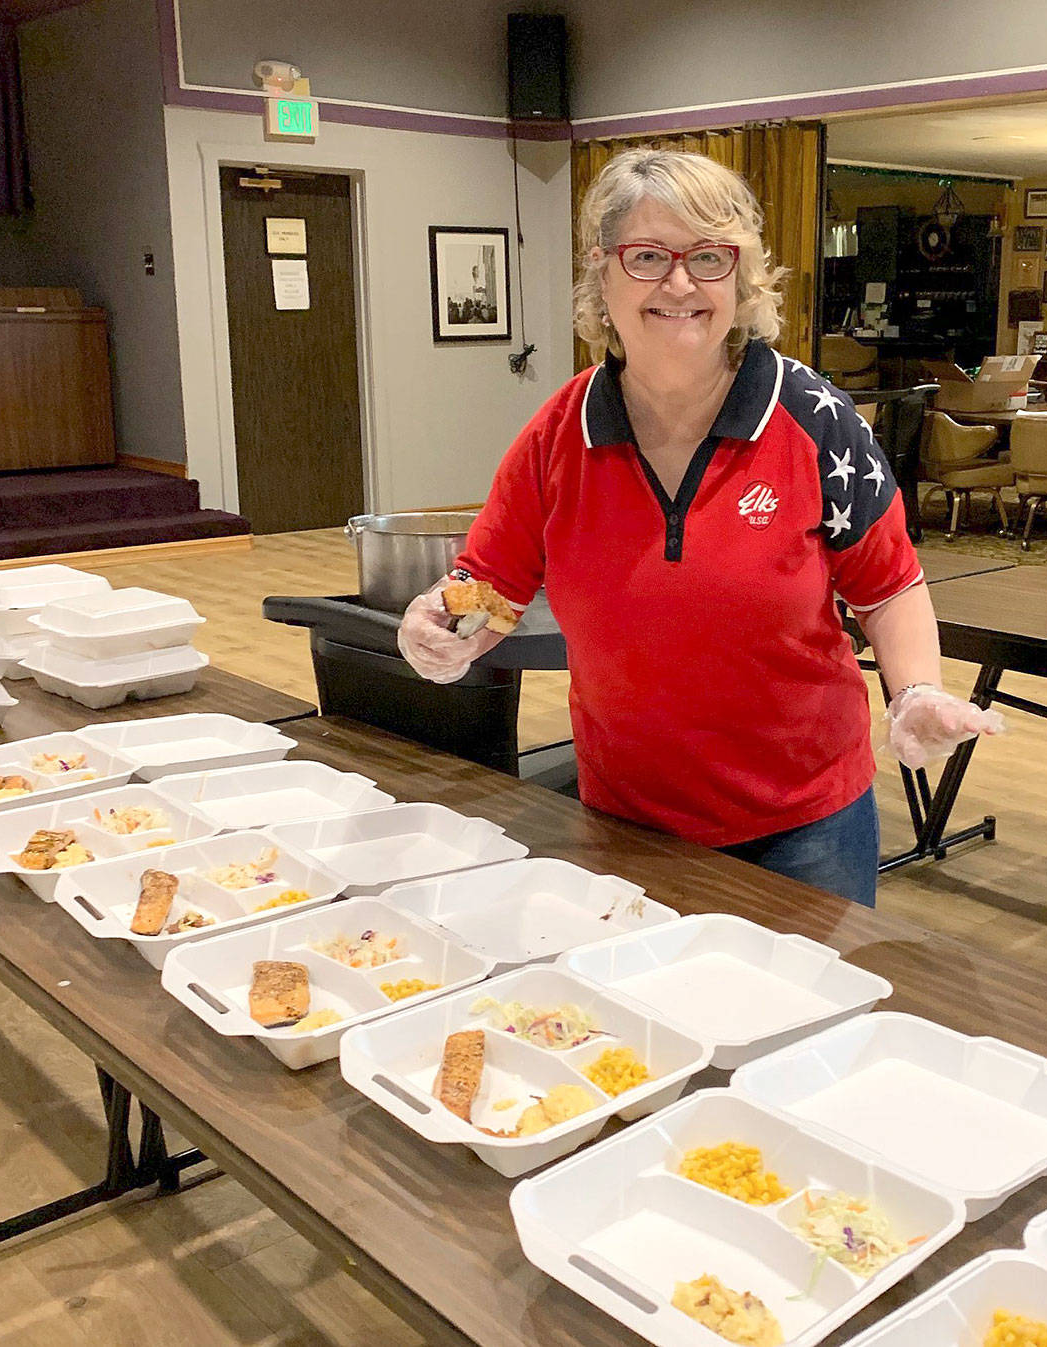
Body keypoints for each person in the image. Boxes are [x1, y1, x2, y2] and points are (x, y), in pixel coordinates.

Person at [399, 148, 1001, 906]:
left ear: (741, 278)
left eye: (708, 258)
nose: (679, 283)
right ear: (604, 273)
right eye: (648, 256)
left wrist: (914, 691)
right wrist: (437, 627)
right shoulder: (559, 437)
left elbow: (889, 587)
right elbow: (489, 589)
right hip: (625, 819)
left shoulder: (813, 419)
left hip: (804, 825)